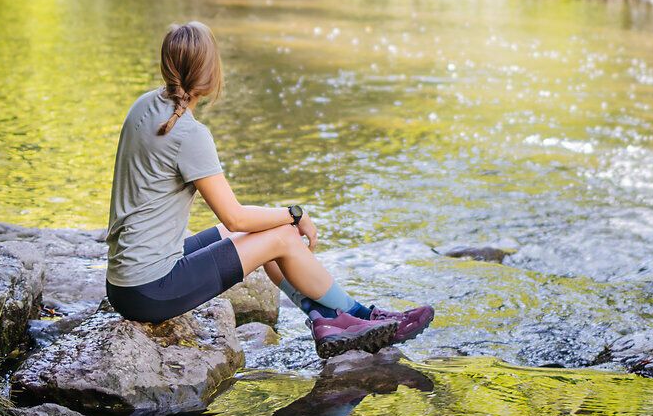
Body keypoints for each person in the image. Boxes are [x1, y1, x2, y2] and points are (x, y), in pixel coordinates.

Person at [105, 21, 434, 360]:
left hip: (126, 281)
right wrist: (296, 214)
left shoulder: (144, 107)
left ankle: (326, 319)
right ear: (211, 72)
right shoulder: (189, 134)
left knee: (267, 228)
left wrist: (282, 216)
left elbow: (233, 222)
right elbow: (235, 217)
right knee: (282, 236)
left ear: (167, 65)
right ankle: (360, 316)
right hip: (150, 289)